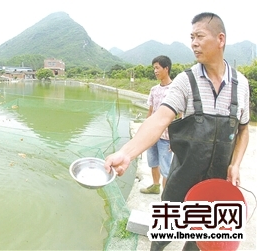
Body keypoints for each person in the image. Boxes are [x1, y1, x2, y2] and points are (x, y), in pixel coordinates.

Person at [104, 12, 250, 251]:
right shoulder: (185, 81)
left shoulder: (241, 85)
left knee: (201, 242)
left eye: (199, 36)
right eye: (191, 37)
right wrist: (127, 153)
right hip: (181, 179)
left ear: (220, 39)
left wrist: (235, 163)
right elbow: (159, 119)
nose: (193, 43)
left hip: (216, 185)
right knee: (163, 235)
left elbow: (244, 130)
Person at [140, 55, 173, 194]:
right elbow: (151, 112)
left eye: (157, 68)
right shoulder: (154, 89)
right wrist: (144, 132)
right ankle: (155, 186)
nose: (155, 71)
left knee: (166, 167)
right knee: (153, 162)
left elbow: (180, 116)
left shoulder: (175, 89)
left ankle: (166, 195)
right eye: (154, 68)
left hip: (166, 136)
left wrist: (175, 138)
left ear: (166, 68)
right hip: (152, 134)